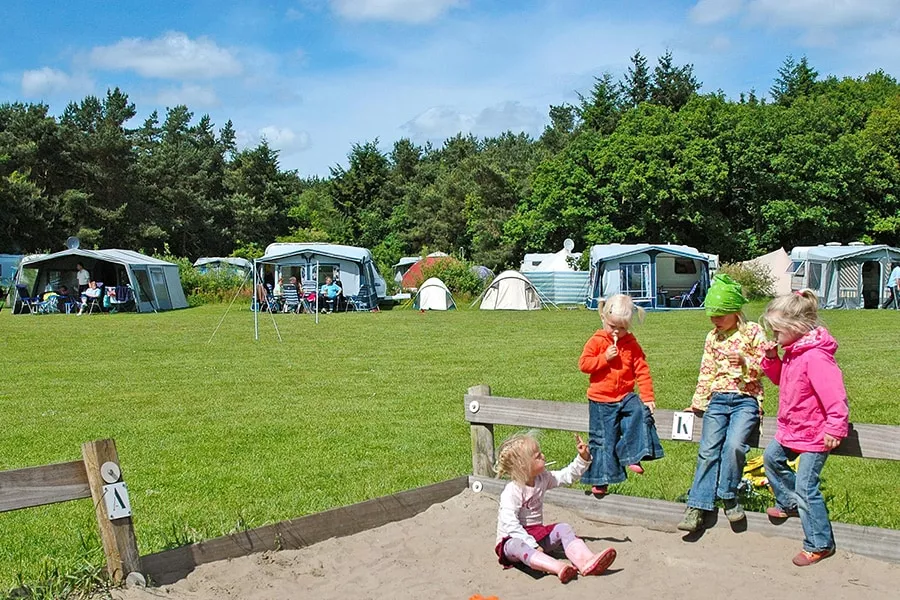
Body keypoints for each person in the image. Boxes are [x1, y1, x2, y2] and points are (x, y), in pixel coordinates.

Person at [760, 289, 849, 567]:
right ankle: (789, 503)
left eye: (777, 331)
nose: (774, 336)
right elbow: (781, 380)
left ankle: (819, 543)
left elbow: (835, 395)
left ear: (797, 326)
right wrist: (772, 359)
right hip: (793, 428)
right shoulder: (794, 352)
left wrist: (835, 427)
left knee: (807, 487)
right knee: (771, 458)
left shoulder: (816, 357)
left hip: (815, 433)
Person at [677, 274, 768, 532]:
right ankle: (697, 505)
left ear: (735, 311)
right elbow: (706, 371)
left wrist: (746, 363)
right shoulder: (712, 337)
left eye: (720, 315)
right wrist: (698, 403)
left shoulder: (753, 332)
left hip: (745, 400)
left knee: (734, 446)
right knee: (708, 451)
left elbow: (767, 366)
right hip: (717, 400)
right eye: (711, 315)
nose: (715, 320)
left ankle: (728, 495)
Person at [494, 431, 617, 583]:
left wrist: (582, 458)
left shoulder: (542, 478)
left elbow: (566, 476)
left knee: (563, 528)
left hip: (537, 536)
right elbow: (510, 523)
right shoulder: (512, 491)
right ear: (523, 465)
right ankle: (557, 567)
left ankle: (586, 561)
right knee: (516, 545)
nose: (543, 456)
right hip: (511, 541)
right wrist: (531, 545)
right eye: (538, 456)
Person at [578, 294, 663, 497]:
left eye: (622, 328)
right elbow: (584, 365)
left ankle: (632, 454)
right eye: (612, 326)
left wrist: (647, 397)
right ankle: (600, 479)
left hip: (625, 395)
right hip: (601, 399)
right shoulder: (597, 341)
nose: (616, 331)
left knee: (640, 412)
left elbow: (642, 370)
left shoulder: (631, 345)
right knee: (602, 439)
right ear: (603, 318)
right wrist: (604, 358)